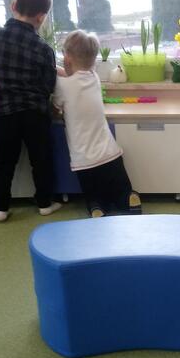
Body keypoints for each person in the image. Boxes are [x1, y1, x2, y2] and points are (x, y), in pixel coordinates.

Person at [0, 0, 61, 222]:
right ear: (41, 17)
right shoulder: (43, 48)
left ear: (13, 6)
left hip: (4, 112)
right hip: (34, 113)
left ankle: (1, 207)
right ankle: (44, 203)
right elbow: (48, 84)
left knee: (3, 162)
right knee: (41, 159)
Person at [53, 29, 141, 218]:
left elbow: (57, 103)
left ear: (67, 59)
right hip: (111, 154)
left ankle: (97, 207)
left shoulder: (62, 86)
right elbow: (75, 75)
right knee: (121, 189)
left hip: (84, 160)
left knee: (94, 195)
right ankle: (128, 198)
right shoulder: (94, 78)